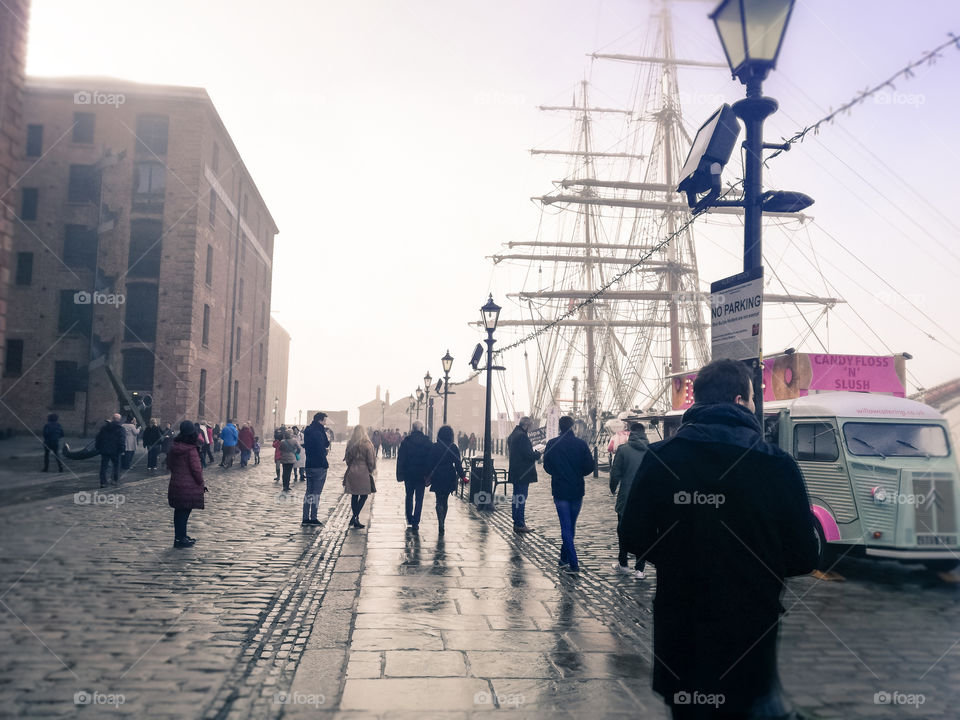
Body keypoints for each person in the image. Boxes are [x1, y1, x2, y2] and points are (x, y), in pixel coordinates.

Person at [621, 358, 818, 720]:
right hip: (749, 629)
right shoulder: (778, 465)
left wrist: (682, 556)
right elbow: (805, 555)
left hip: (681, 626)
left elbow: (633, 535)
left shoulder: (662, 458)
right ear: (742, 400)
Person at [543, 415, 595, 574]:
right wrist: (578, 473)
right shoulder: (581, 444)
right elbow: (590, 466)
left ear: (560, 427)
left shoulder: (552, 444)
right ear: (572, 426)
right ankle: (569, 560)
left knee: (566, 526)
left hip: (560, 489)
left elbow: (547, 466)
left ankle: (569, 562)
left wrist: (558, 473)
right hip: (577, 489)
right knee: (571, 525)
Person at [609, 422, 649, 578]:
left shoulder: (623, 450)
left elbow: (615, 473)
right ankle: (640, 569)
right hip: (646, 499)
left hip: (626, 497)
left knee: (623, 531)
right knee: (644, 533)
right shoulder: (652, 450)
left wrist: (612, 488)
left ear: (630, 433)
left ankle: (623, 564)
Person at [166, 420, 205, 548]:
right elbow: (196, 470)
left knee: (179, 512)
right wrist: (200, 482)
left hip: (176, 483)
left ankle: (180, 536)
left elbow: (170, 464)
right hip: (189, 486)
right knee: (184, 513)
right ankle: (181, 538)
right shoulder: (191, 449)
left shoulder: (174, 447)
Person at [426, 425, 465, 535]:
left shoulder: (435, 446)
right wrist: (463, 476)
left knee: (438, 499)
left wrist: (428, 474)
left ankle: (440, 522)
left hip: (437, 475)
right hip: (449, 475)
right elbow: (458, 464)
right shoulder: (453, 447)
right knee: (445, 500)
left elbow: (429, 462)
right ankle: (443, 521)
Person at [507, 417, 541, 533]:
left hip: (516, 472)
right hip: (523, 473)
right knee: (521, 497)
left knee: (517, 498)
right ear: (526, 425)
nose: (530, 429)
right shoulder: (522, 436)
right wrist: (537, 454)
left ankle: (517, 522)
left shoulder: (513, 435)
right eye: (530, 426)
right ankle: (520, 524)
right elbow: (528, 454)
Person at [396, 420, 432, 530]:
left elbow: (401, 459)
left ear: (412, 428)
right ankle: (416, 521)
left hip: (408, 473)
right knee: (419, 498)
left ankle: (409, 519)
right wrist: (428, 474)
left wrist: (400, 474)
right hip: (422, 474)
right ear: (421, 429)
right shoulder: (427, 442)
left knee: (409, 496)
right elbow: (430, 460)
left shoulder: (406, 441)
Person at [343, 424, 376, 529]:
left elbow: (347, 459)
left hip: (352, 470)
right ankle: (355, 516)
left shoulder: (350, 444)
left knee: (354, 495)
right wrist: (371, 470)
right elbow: (371, 461)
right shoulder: (367, 444)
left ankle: (355, 517)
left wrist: (351, 465)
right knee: (364, 495)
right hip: (363, 471)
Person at [301, 413, 330, 527]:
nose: (325, 423)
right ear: (320, 420)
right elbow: (321, 446)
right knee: (316, 493)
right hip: (319, 465)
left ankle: (305, 517)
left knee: (309, 492)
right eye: (324, 421)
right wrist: (324, 452)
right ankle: (313, 517)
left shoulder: (308, 430)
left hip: (309, 464)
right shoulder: (319, 431)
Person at [95, 414, 125, 487]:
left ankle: (103, 482)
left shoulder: (104, 428)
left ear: (112, 419)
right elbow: (121, 440)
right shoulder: (120, 429)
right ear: (119, 420)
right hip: (115, 451)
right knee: (116, 466)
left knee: (104, 467)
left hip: (105, 450)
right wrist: (122, 450)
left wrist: (98, 447)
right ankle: (114, 480)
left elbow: (98, 438)